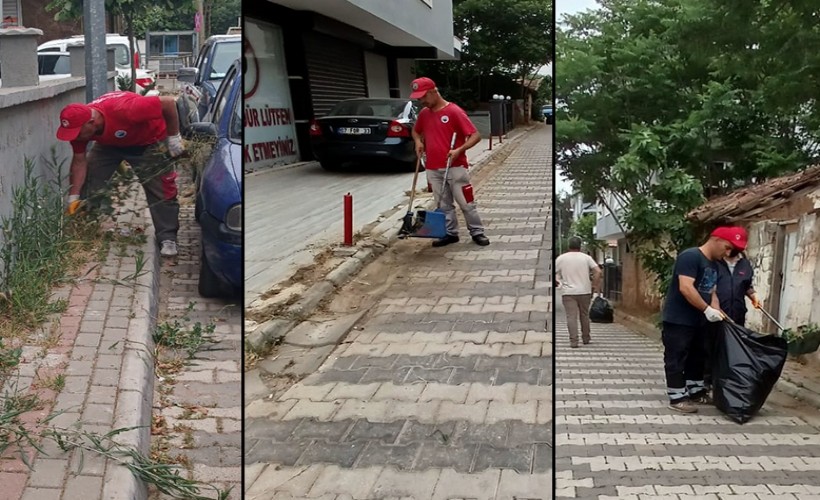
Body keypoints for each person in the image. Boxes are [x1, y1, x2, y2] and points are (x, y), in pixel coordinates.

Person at [56, 91, 185, 257]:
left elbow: (168, 102)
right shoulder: (78, 128)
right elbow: (79, 161)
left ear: (91, 122)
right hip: (109, 146)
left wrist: (173, 136)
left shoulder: (127, 110)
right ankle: (84, 228)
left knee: (161, 188)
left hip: (149, 142)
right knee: (90, 179)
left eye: (78, 132)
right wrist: (73, 196)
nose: (75, 137)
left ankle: (167, 237)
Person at [661, 226, 746, 413]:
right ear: (716, 239)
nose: (728, 252)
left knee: (698, 355)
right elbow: (686, 287)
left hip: (699, 320)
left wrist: (716, 310)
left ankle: (696, 391)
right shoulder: (690, 257)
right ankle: (677, 397)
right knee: (677, 357)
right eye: (727, 247)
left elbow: (711, 290)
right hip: (679, 319)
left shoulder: (714, 264)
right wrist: (706, 309)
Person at [410, 77, 490, 247]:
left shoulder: (454, 111)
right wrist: (418, 142)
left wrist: (459, 150)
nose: (421, 101)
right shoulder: (424, 114)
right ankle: (450, 233)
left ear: (433, 92)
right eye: (419, 98)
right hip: (433, 167)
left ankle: (477, 232)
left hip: (455, 167)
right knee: (443, 204)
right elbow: (416, 131)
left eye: (423, 97)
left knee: (466, 203)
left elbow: (475, 136)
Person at [555, 236, 602, 348]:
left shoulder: (561, 258)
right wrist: (594, 286)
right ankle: (586, 338)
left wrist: (557, 283)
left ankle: (574, 341)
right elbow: (598, 271)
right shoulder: (586, 258)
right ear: (580, 246)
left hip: (568, 292)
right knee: (584, 315)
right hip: (585, 291)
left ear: (568, 246)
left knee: (571, 317)